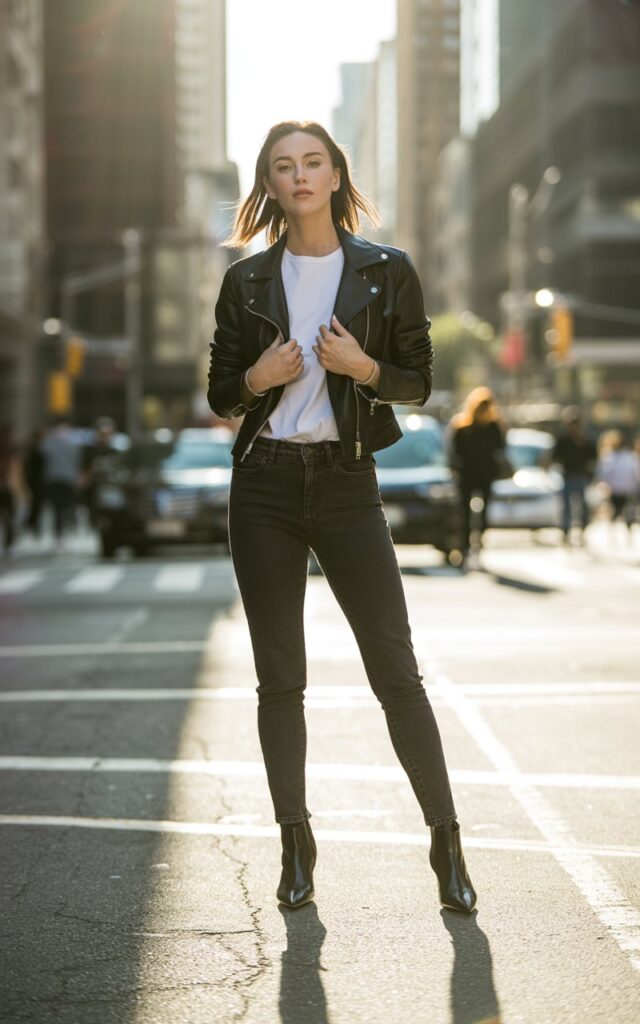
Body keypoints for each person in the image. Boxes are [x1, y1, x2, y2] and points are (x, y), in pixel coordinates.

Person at [208, 121, 476, 914]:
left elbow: (417, 380)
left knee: (396, 669)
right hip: (263, 487)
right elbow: (224, 392)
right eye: (283, 166)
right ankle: (295, 843)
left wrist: (361, 367)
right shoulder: (247, 280)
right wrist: (258, 375)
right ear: (271, 181)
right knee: (279, 680)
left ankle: (447, 844)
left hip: (348, 484)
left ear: (334, 175)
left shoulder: (386, 272)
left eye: (312, 163)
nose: (299, 176)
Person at [448, 387, 508, 561]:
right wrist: (456, 467)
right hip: (466, 474)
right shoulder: (462, 426)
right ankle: (465, 546)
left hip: (486, 474)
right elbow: (454, 451)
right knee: (465, 512)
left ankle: (479, 540)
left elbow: (501, 448)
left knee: (484, 511)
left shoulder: (494, 426)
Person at [552, 407, 597, 544]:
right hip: (568, 475)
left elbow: (593, 456)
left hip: (582, 476)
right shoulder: (563, 439)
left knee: (583, 505)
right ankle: (566, 531)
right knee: (566, 506)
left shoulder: (586, 438)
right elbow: (556, 456)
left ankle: (583, 530)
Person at [41, 418, 81, 551]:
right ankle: (62, 534)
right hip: (63, 479)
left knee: (59, 508)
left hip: (58, 479)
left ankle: (61, 535)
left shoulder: (50, 441)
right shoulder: (72, 442)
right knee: (62, 508)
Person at [596, 429, 640, 535]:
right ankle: (614, 532)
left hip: (627, 489)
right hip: (618, 489)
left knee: (628, 512)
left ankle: (626, 532)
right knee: (618, 511)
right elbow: (604, 474)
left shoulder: (629, 457)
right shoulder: (610, 457)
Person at [0, 424, 23, 558]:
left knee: (9, 518)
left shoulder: (12, 454)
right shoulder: (12, 453)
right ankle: (9, 545)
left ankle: (8, 544)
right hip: (9, 489)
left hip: (8, 488)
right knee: (10, 518)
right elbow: (17, 474)